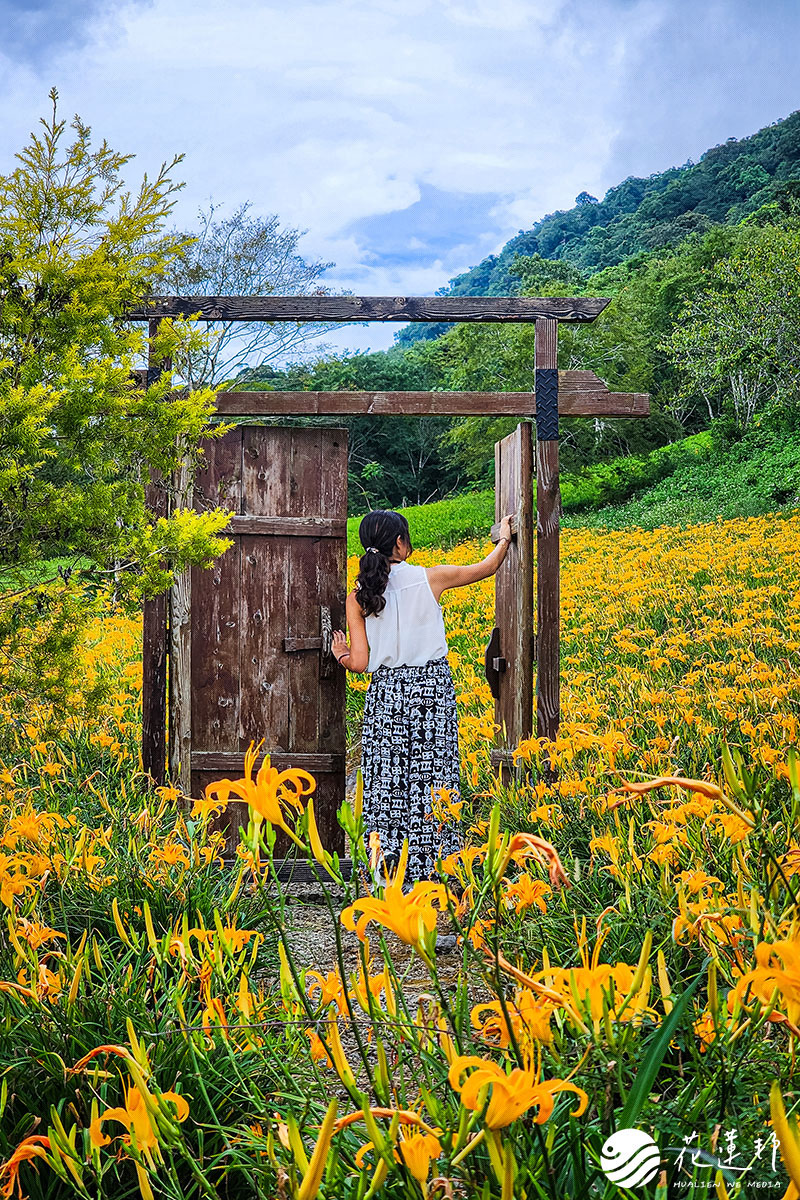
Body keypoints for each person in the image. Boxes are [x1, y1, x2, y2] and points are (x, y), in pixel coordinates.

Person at [332, 508, 514, 887]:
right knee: (433, 777)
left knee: (387, 781)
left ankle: (388, 875)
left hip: (386, 694)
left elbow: (361, 663)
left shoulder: (360, 596)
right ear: (400, 543)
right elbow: (487, 567)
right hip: (431, 690)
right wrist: (505, 538)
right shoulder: (431, 578)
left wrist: (340, 654)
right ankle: (437, 870)